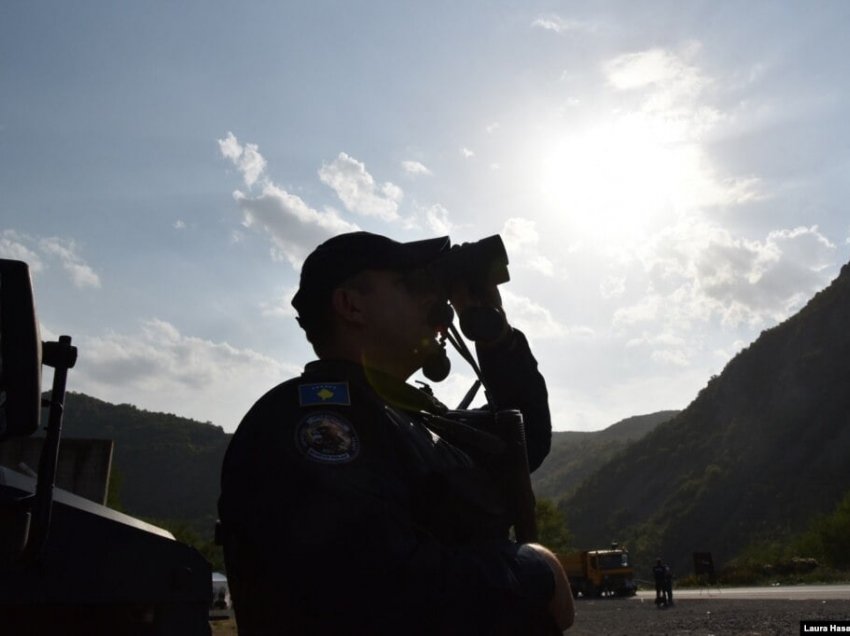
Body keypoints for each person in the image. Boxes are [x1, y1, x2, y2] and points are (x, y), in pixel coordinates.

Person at [218, 231, 574, 635]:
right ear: (351, 305)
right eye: (413, 284)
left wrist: (496, 338)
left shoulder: (411, 418)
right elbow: (375, 588)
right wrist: (534, 573)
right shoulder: (313, 420)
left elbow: (522, 446)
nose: (434, 299)